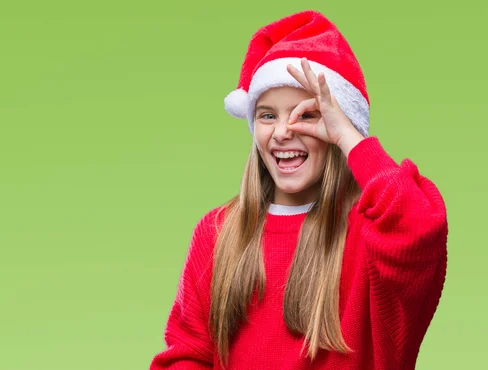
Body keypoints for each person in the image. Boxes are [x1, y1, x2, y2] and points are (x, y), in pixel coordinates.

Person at [150, 9, 448, 370]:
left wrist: (349, 139)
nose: (282, 132)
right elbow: (188, 354)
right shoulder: (217, 232)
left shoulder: (367, 231)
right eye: (267, 115)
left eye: (306, 115)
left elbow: (419, 226)